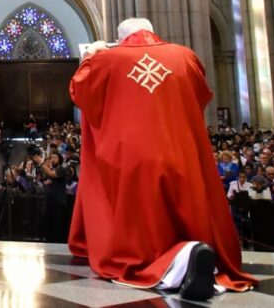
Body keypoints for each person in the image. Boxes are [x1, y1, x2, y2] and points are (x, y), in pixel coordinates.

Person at [69, 18, 256, 299]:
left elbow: (79, 90)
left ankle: (174, 263)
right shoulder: (184, 56)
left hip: (131, 157)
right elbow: (200, 96)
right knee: (184, 213)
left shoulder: (107, 60)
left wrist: (90, 56)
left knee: (144, 228)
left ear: (120, 38)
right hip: (182, 151)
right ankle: (194, 251)